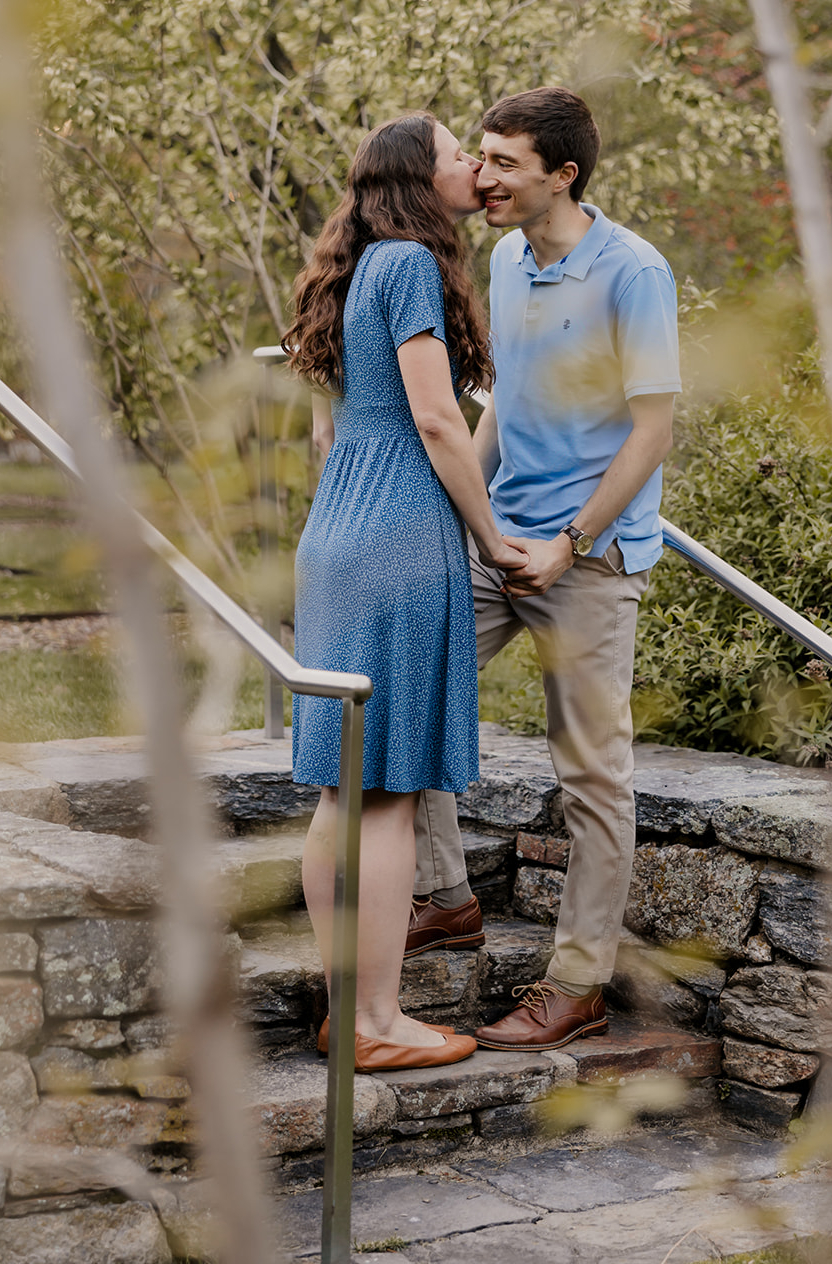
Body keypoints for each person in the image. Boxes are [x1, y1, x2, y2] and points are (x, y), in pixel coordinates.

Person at [407, 86, 680, 1051]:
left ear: (562, 174)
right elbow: (500, 409)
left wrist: (569, 541)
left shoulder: (634, 273)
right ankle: (441, 895)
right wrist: (461, 520)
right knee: (410, 696)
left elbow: (653, 431)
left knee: (592, 777)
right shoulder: (507, 257)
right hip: (498, 544)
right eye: (479, 157)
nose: (482, 177)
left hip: (590, 560)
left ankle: (577, 985)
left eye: (504, 162)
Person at [284, 111, 529, 1072]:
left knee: (343, 794)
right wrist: (493, 536)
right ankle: (377, 1022)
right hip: (397, 532)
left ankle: (353, 1011)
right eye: (457, 153)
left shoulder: (359, 268)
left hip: (339, 532)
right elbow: (436, 418)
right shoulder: (410, 265)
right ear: (420, 181)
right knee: (384, 795)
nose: (474, 164)